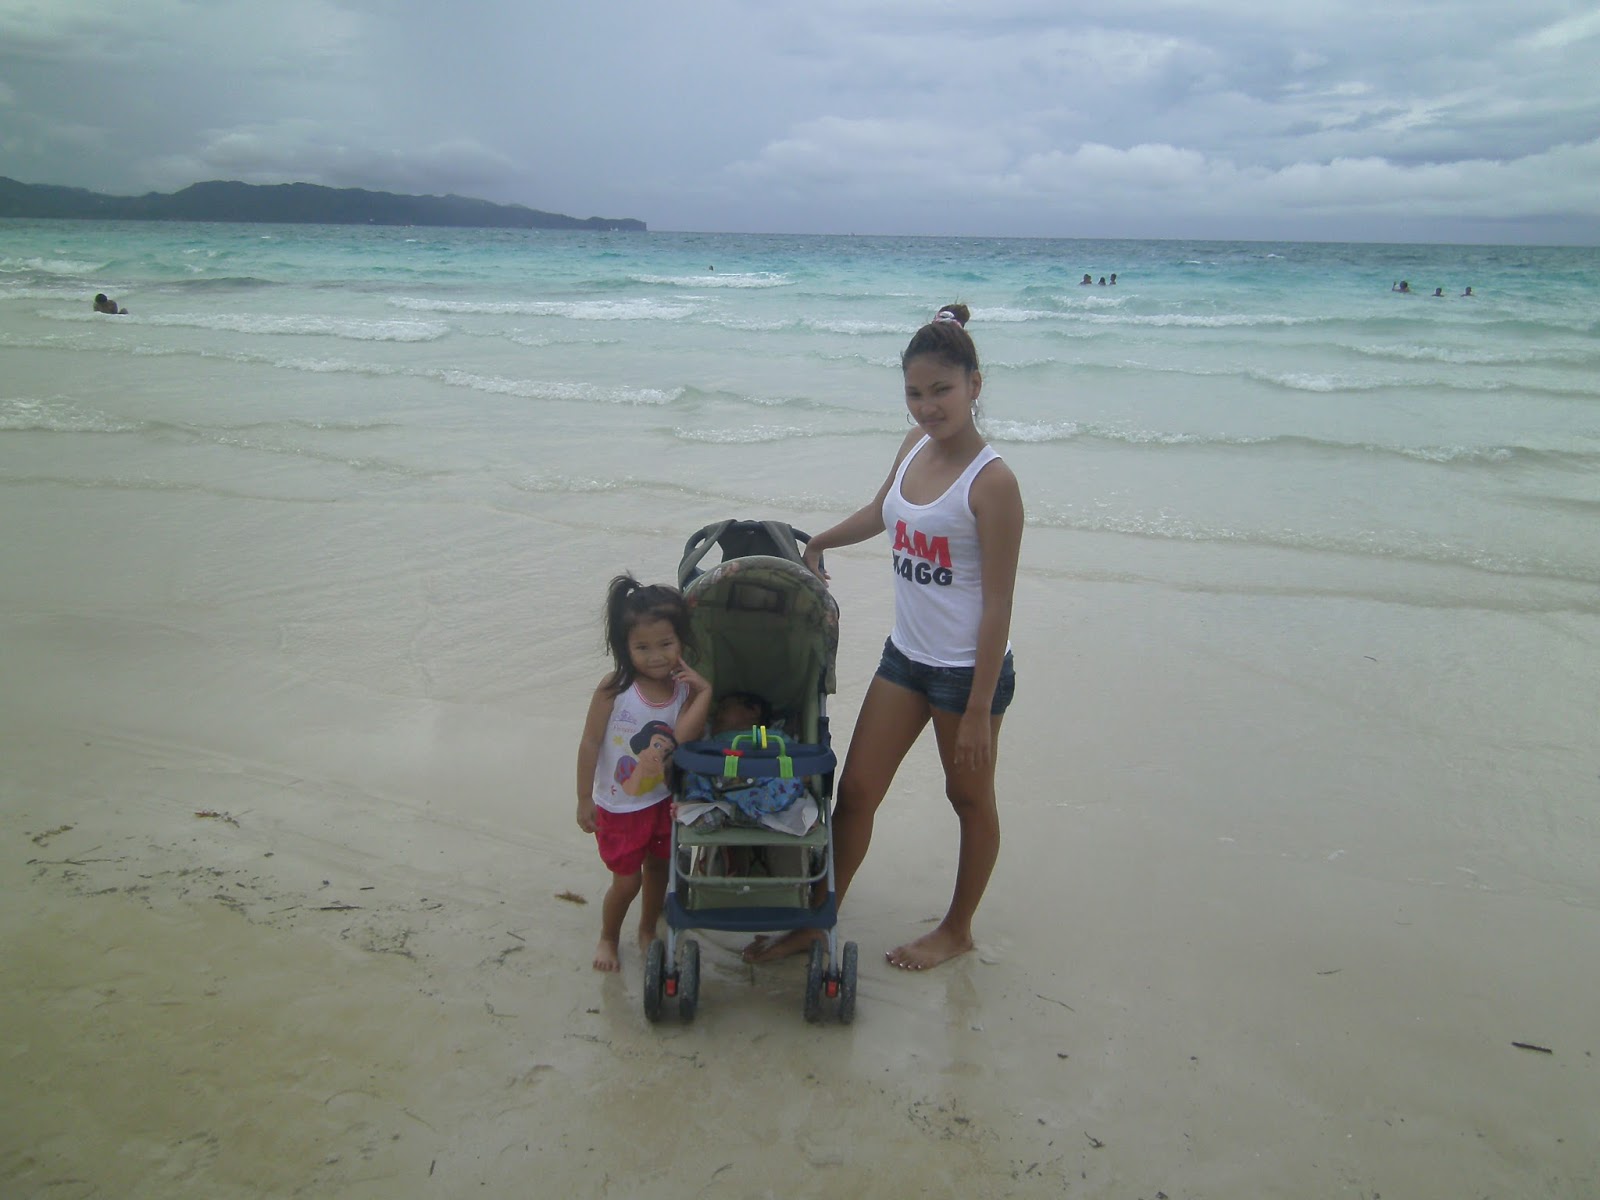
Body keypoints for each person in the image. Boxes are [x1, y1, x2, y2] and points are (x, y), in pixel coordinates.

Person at [743, 302, 1023, 971]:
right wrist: (818, 542)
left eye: (941, 390)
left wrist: (979, 709)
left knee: (968, 799)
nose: (927, 407)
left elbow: (999, 604)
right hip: (905, 659)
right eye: (914, 393)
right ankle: (817, 919)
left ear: (975, 385)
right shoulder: (913, 447)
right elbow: (881, 512)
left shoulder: (993, 483)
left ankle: (957, 929)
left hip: (967, 673)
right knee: (858, 792)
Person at [575, 574, 711, 972]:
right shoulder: (614, 689)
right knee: (626, 882)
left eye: (666, 644)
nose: (656, 657)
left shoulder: (683, 690)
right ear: (625, 646)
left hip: (662, 803)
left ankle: (647, 928)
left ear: (681, 641)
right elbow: (590, 743)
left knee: (657, 871)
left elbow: (682, 738)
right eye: (642, 647)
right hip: (619, 808)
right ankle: (608, 936)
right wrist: (583, 798)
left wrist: (704, 692)